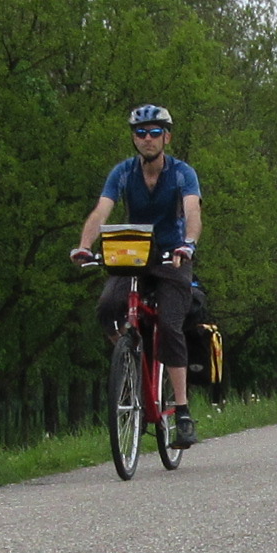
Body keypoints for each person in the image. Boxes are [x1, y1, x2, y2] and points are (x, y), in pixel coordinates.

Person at [72, 103, 203, 448]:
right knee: (107, 308)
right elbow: (101, 211)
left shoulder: (182, 173)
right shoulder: (123, 173)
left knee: (170, 325)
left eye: (155, 132)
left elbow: (192, 211)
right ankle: (130, 362)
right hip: (133, 255)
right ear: (134, 138)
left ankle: (182, 411)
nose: (148, 139)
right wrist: (84, 246)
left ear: (166, 137)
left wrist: (188, 244)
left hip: (172, 256)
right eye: (141, 133)